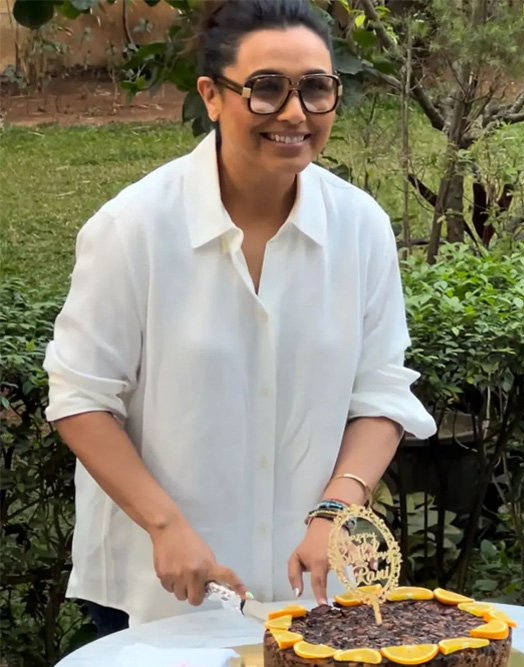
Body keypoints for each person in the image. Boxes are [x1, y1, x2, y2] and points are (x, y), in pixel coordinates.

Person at [43, 0, 437, 635]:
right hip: (157, 587)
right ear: (212, 95)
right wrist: (165, 526)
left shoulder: (361, 227)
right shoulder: (133, 228)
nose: (295, 113)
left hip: (309, 589)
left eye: (316, 88)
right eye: (266, 88)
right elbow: (81, 399)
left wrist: (335, 512)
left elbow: (381, 391)